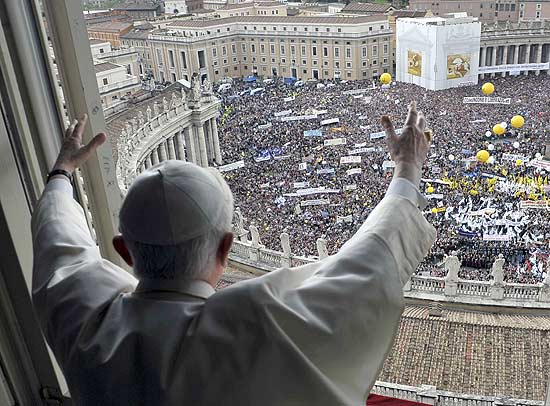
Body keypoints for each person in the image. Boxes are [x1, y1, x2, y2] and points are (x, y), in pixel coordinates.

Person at [31, 103, 435, 406]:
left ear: (124, 251)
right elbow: (369, 262)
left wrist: (61, 172)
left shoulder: (84, 323)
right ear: (227, 247)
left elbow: (59, 240)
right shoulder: (260, 323)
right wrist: (406, 168)